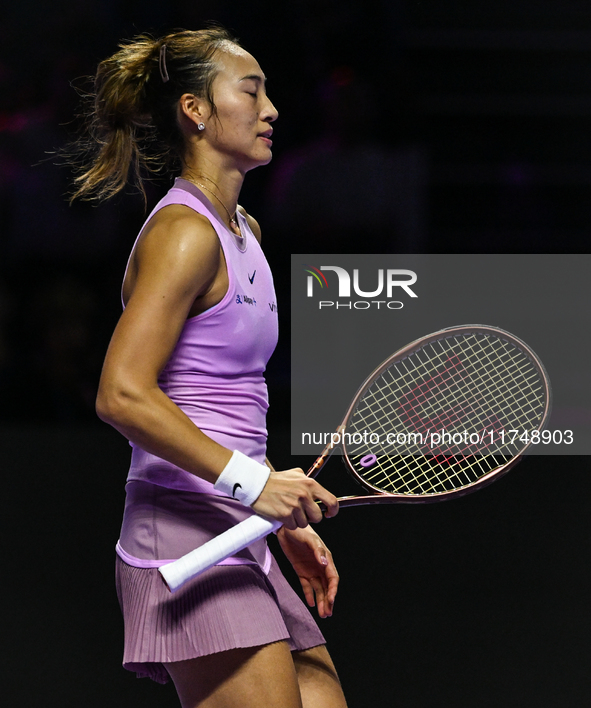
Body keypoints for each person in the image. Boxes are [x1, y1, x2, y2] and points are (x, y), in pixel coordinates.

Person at [67, 27, 348, 708]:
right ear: (194, 110)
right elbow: (121, 395)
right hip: (183, 531)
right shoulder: (183, 233)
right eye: (250, 91)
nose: (271, 108)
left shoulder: (243, 230)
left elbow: (222, 400)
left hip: (236, 526)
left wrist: (281, 516)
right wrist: (255, 485)